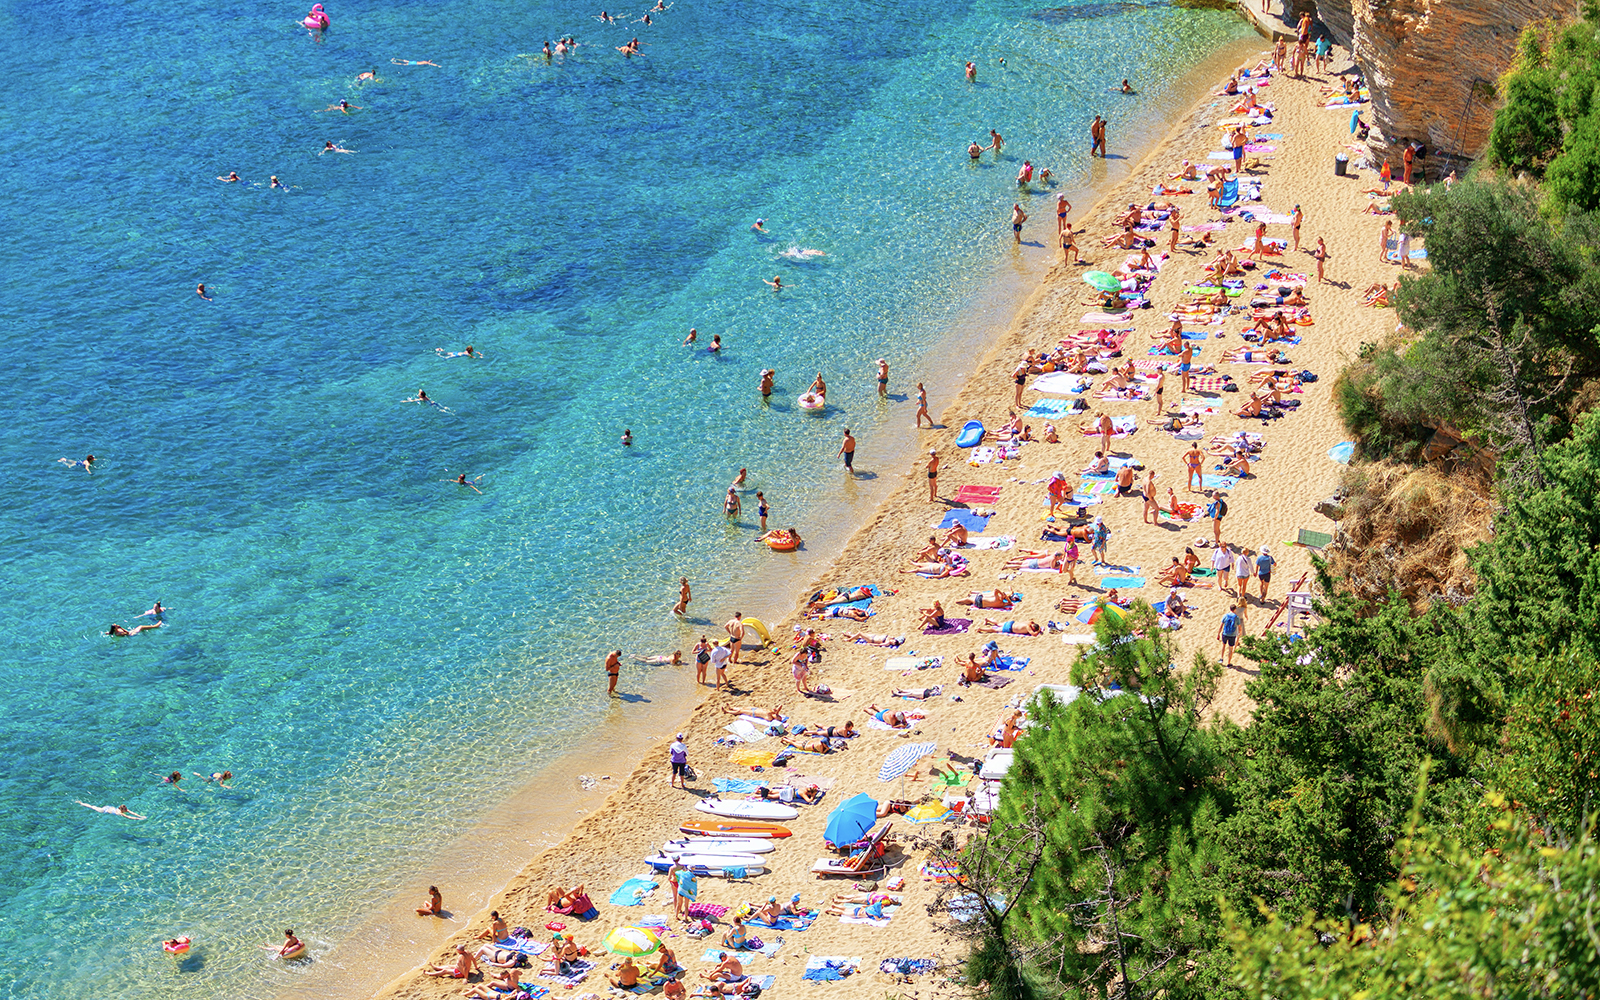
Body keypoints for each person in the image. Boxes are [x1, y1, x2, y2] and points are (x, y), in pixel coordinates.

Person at [1217, 601, 1241, 667]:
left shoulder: (1225, 616)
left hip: (1225, 633)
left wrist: (1218, 634)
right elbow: (1239, 627)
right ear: (1235, 609)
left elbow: (1221, 625)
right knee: (1230, 649)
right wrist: (1239, 634)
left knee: (1223, 646)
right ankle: (1228, 663)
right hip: (1232, 635)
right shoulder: (1236, 617)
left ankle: (1221, 658)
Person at [75, 801, 147, 820]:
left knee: (93, 806)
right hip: (104, 810)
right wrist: (139, 819)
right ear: (123, 810)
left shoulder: (123, 809)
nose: (127, 810)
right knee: (93, 807)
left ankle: (81, 803)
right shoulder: (120, 813)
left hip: (108, 807)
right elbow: (130, 817)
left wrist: (141, 816)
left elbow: (132, 813)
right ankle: (81, 803)